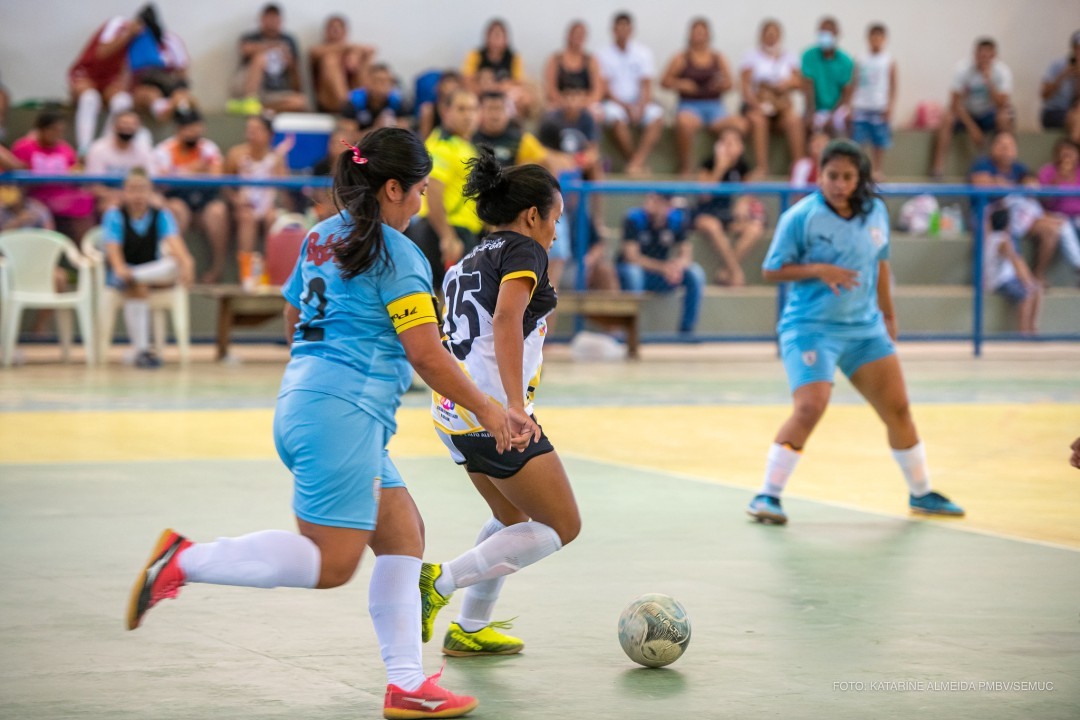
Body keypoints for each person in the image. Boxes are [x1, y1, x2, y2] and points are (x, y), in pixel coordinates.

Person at [126, 128, 516, 719]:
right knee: (332, 564)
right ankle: (185, 560)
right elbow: (426, 354)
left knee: (404, 536)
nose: (420, 202)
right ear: (391, 188)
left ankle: (407, 684)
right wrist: (489, 408)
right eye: (417, 191)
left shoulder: (318, 237)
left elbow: (293, 317)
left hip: (307, 402)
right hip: (344, 417)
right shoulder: (399, 254)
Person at [747, 139, 964, 524]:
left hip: (864, 329)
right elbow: (771, 270)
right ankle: (768, 495)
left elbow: (880, 265)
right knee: (810, 406)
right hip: (811, 328)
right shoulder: (801, 217)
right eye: (832, 175)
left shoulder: (875, 211)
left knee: (898, 409)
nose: (840, 184)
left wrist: (889, 315)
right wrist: (819, 269)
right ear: (820, 175)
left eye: (848, 176)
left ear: (860, 178)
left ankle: (921, 492)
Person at [420, 147, 580, 658]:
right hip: (492, 410)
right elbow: (508, 319)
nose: (555, 230)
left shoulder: (467, 258)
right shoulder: (525, 250)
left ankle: (470, 629)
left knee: (513, 520)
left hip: (454, 411)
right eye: (555, 218)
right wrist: (514, 405)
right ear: (533, 215)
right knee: (561, 526)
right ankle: (437, 583)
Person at [101, 168, 194, 368]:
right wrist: (121, 270)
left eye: (143, 189)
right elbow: (114, 253)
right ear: (124, 192)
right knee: (137, 286)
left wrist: (187, 263)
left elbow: (176, 246)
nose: (138, 195)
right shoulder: (114, 215)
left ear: (150, 192)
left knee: (172, 265)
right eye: (133, 189)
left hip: (151, 272)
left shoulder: (161, 215)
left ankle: (136, 276)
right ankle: (142, 350)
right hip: (122, 274)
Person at [970, 132, 1080, 285]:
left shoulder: (1018, 168)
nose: (1005, 150)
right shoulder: (983, 164)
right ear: (993, 148)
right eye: (1001, 145)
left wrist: (1009, 185)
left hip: (1017, 215)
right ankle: (985, 278)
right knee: (997, 231)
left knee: (1052, 231)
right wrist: (1008, 185)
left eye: (1009, 146)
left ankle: (1038, 275)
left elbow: (1032, 185)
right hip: (991, 216)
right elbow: (981, 183)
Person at [406, 89, 482, 290]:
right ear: (445, 111)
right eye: (461, 109)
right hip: (443, 231)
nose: (468, 115)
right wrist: (447, 236)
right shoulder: (441, 146)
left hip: (461, 231)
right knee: (444, 300)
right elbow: (433, 193)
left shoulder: (464, 145)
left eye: (473, 109)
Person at [153, 108, 230, 283]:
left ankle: (217, 269)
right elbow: (162, 183)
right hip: (179, 200)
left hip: (204, 202)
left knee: (218, 211)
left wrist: (181, 173)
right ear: (178, 130)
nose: (192, 132)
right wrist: (192, 170)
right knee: (176, 209)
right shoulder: (164, 150)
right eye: (187, 128)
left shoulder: (208, 148)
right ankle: (177, 266)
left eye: (195, 128)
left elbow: (216, 177)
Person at [661, 17, 741, 177]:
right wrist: (681, 84)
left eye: (702, 33)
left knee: (740, 124)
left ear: (708, 35)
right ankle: (686, 165)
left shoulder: (718, 58)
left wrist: (720, 85)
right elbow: (664, 81)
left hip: (715, 107)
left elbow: (731, 83)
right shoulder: (681, 58)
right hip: (690, 105)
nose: (699, 36)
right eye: (696, 33)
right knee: (683, 122)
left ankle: (734, 168)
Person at [618, 193, 706, 335]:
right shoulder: (634, 219)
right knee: (633, 273)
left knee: (696, 273)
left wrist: (676, 267)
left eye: (657, 200)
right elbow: (631, 257)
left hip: (663, 276)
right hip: (635, 274)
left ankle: (686, 331)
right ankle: (631, 331)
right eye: (649, 198)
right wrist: (663, 268)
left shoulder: (676, 220)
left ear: (667, 205)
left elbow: (686, 255)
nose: (651, 203)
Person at [930, 38, 1014, 179]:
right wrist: (972, 128)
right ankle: (937, 168)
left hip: (989, 113)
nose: (983, 59)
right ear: (975, 54)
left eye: (988, 56)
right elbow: (955, 103)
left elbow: (1002, 103)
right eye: (980, 55)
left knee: (1005, 116)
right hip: (967, 114)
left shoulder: (1002, 72)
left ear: (994, 57)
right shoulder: (962, 69)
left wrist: (989, 82)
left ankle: (1006, 166)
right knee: (947, 118)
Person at [694, 127, 765, 286]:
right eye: (724, 143)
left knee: (755, 228)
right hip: (705, 214)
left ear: (741, 147)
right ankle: (735, 271)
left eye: (733, 143)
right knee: (713, 226)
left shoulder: (742, 167)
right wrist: (720, 167)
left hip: (728, 215)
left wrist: (743, 202)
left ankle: (725, 271)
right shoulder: (708, 164)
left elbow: (750, 191)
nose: (728, 147)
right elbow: (704, 195)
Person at [11, 110, 96, 241]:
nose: (57, 134)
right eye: (53, 130)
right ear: (42, 129)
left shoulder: (65, 149)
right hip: (33, 196)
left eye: (60, 131)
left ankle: (85, 248)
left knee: (85, 200)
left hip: (61, 194)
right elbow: (16, 175)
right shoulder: (23, 147)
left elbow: (75, 170)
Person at [597, 12, 665, 175]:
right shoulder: (602, 54)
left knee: (657, 116)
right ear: (613, 30)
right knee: (615, 117)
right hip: (615, 102)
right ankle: (635, 162)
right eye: (619, 27)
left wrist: (640, 107)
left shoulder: (643, 53)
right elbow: (605, 88)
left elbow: (647, 84)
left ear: (631, 30)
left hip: (639, 102)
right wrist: (625, 106)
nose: (622, 31)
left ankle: (636, 162)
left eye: (625, 27)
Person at [224, 115, 288, 284]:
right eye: (249, 130)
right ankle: (245, 275)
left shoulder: (277, 158)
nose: (251, 134)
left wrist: (278, 165)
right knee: (247, 218)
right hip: (244, 206)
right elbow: (225, 185)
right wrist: (236, 200)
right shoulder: (236, 154)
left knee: (273, 218)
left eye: (257, 130)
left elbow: (284, 189)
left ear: (269, 135)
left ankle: (269, 273)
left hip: (269, 206)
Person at [67, 14, 142, 155]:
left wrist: (122, 84)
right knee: (90, 98)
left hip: (110, 80)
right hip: (88, 73)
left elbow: (130, 68)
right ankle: (84, 149)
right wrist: (129, 34)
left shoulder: (144, 39)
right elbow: (102, 53)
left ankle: (105, 148)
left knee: (123, 100)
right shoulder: (118, 25)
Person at [740, 19, 804, 177]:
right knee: (758, 120)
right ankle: (762, 166)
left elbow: (799, 82)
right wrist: (757, 104)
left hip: (781, 107)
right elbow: (745, 86)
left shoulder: (789, 57)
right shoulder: (751, 57)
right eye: (767, 34)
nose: (771, 37)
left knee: (794, 120)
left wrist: (787, 83)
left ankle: (799, 167)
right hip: (758, 105)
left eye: (774, 34)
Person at [229, 3, 307, 114]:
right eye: (269, 18)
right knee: (260, 58)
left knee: (301, 102)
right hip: (253, 89)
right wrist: (273, 46)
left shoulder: (289, 40)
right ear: (261, 19)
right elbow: (245, 49)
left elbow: (296, 75)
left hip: (275, 92)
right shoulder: (251, 37)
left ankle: (258, 109)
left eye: (275, 19)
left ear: (281, 20)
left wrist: (290, 63)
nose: (272, 23)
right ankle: (249, 101)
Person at [982, 209, 1042, 335]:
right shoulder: (1002, 241)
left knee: (1037, 290)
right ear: (1007, 225)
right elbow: (1016, 261)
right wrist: (1027, 281)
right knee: (1026, 295)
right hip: (999, 281)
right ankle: (1024, 332)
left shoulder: (991, 237)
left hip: (1004, 278)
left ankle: (1032, 328)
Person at [461, 19, 536, 119]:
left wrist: (495, 86)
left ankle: (513, 124)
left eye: (499, 36)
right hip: (481, 93)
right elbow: (467, 80)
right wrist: (484, 86)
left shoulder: (514, 57)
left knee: (524, 97)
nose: (496, 40)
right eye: (493, 36)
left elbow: (518, 82)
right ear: (487, 37)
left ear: (506, 39)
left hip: (505, 95)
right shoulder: (475, 55)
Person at [851, 24, 897, 180]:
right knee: (859, 140)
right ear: (868, 38)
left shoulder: (888, 60)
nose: (876, 40)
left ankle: (877, 169)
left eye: (879, 37)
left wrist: (890, 105)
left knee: (879, 141)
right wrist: (851, 104)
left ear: (884, 39)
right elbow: (854, 82)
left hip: (879, 106)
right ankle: (859, 168)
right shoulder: (860, 58)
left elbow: (893, 85)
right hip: (861, 105)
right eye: (873, 36)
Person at [85, 110, 155, 210]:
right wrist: (123, 196)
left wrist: (136, 196)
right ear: (114, 126)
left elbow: (151, 180)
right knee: (112, 206)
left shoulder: (144, 150)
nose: (127, 128)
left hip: (139, 196)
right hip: (108, 197)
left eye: (132, 124)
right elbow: (94, 186)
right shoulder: (98, 149)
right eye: (124, 123)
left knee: (164, 205)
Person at [801, 16, 855, 136]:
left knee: (849, 119)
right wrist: (810, 112)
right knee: (805, 124)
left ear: (836, 34)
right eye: (822, 32)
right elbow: (808, 86)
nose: (825, 36)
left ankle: (848, 152)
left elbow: (846, 93)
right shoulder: (809, 56)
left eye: (829, 32)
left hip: (836, 109)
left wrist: (832, 115)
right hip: (815, 108)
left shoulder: (845, 61)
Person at [310, 14, 375, 113]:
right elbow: (314, 53)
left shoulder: (352, 50)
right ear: (326, 32)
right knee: (330, 60)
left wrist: (355, 55)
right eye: (332, 28)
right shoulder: (319, 50)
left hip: (354, 93)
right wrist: (353, 50)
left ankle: (363, 101)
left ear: (345, 32)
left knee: (365, 59)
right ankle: (347, 105)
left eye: (338, 28)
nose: (335, 31)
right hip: (329, 101)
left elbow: (371, 49)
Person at [472, 91, 554, 169]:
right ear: (479, 111)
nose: (495, 115)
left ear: (508, 112)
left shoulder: (521, 140)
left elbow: (546, 164)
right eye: (490, 109)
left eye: (499, 109)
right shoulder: (469, 138)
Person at [543, 21, 604, 113]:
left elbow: (597, 90)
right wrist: (565, 103)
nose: (578, 38)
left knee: (597, 113)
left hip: (585, 102)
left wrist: (582, 103)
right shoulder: (555, 60)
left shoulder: (591, 60)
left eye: (581, 35)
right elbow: (550, 88)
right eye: (576, 34)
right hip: (561, 102)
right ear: (568, 35)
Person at [341, 64, 409, 136]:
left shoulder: (397, 101)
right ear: (368, 82)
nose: (384, 85)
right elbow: (348, 136)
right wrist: (377, 129)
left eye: (388, 81)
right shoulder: (354, 101)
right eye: (379, 81)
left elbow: (404, 133)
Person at [1039, 31, 1080, 142]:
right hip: (1054, 112)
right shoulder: (1058, 65)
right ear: (1072, 48)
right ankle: (1073, 153)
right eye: (1077, 48)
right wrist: (1062, 76)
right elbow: (1044, 95)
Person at [1037, 138, 1080, 232]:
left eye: (1071, 152)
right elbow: (1045, 201)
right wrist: (1057, 178)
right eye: (1064, 153)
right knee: (1065, 229)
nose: (1068, 156)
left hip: (1078, 216)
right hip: (1056, 215)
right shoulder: (1047, 171)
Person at [416, 70, 463, 141]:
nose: (451, 86)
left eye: (455, 83)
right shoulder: (429, 109)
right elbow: (424, 138)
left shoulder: (462, 108)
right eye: (448, 82)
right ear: (440, 85)